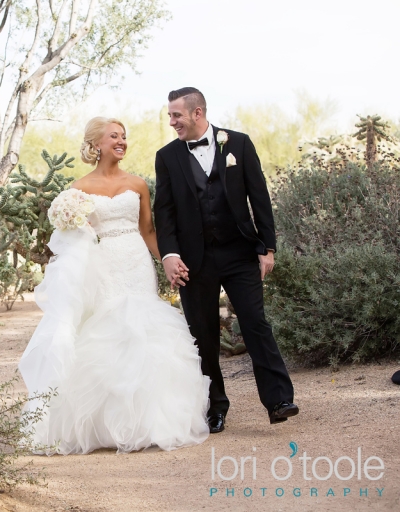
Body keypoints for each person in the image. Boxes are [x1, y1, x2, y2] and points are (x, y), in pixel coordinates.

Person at [19, 117, 210, 455]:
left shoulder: (137, 184)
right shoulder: (77, 189)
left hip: (136, 261)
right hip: (101, 263)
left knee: (143, 328)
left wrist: (166, 260)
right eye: (114, 136)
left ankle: (151, 421)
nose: (121, 141)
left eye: (124, 136)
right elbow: (71, 238)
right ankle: (104, 425)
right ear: (96, 144)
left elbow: (149, 230)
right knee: (106, 328)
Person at [153, 87, 298, 433]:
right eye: (170, 116)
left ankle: (278, 400)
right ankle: (215, 407)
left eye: (176, 115)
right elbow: (165, 212)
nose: (171, 122)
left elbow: (259, 196)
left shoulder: (239, 144)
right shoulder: (167, 156)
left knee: (255, 324)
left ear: (198, 112)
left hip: (239, 252)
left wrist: (268, 247)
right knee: (203, 335)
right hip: (193, 261)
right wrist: (170, 255)